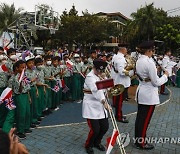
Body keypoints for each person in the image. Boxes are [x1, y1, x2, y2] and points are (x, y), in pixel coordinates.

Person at [134, 41, 168, 150]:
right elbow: (156, 82)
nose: (153, 52)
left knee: (140, 118)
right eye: (153, 50)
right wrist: (166, 76)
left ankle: (138, 139)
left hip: (142, 91)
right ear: (149, 50)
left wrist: (154, 71)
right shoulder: (149, 63)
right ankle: (141, 143)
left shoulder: (139, 60)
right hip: (148, 94)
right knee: (145, 120)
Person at [82, 59, 110, 154]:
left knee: (105, 127)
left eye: (101, 71)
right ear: (94, 68)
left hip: (101, 105)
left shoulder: (100, 75)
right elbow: (96, 90)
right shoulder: (90, 77)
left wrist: (105, 78)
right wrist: (103, 101)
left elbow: (107, 87)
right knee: (95, 130)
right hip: (91, 106)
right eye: (98, 70)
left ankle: (97, 142)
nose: (99, 72)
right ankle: (88, 145)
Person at [111, 45, 133, 123]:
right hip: (121, 83)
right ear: (123, 50)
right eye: (126, 49)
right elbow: (121, 72)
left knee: (118, 101)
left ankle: (118, 114)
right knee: (119, 101)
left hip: (118, 81)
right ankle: (119, 117)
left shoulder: (115, 57)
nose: (127, 51)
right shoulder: (120, 59)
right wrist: (131, 73)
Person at [13, 60, 31, 139]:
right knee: (21, 113)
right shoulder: (16, 77)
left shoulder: (25, 76)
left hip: (25, 95)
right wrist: (20, 81)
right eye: (22, 67)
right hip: (20, 96)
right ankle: (20, 131)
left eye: (24, 67)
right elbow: (19, 90)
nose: (24, 69)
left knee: (27, 112)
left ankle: (26, 127)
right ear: (17, 68)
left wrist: (29, 96)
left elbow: (27, 87)